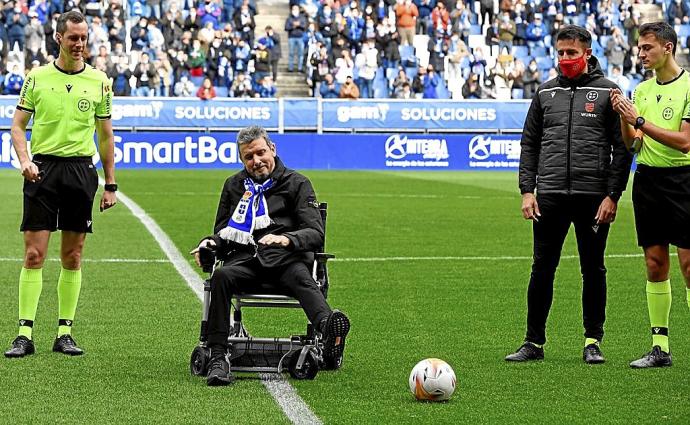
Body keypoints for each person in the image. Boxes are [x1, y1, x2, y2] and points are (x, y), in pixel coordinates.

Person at [506, 25, 632, 364]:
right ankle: (533, 342)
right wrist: (526, 191)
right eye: (560, 53)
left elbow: (622, 149)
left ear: (587, 53)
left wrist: (613, 196)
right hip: (549, 196)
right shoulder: (545, 93)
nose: (565, 59)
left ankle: (592, 341)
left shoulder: (609, 92)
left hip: (593, 196)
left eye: (571, 53)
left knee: (593, 269)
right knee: (542, 268)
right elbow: (529, 145)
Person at [191, 126, 351, 386]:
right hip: (246, 263)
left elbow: (315, 233)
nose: (256, 161)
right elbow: (223, 233)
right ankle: (218, 358)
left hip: (287, 262)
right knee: (220, 276)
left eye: (260, 152)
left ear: (272, 149)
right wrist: (209, 243)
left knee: (302, 276)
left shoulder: (298, 183)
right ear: (242, 159)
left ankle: (329, 331)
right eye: (248, 157)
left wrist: (287, 239)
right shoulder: (233, 186)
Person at [4, 10, 116, 358]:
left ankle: (64, 332)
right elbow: (18, 126)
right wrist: (24, 161)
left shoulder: (100, 81)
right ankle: (24, 333)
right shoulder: (36, 78)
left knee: (73, 255)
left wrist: (110, 184)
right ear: (59, 38)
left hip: (80, 173)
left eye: (84, 38)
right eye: (73, 38)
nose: (80, 44)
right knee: (34, 254)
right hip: (43, 171)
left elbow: (106, 135)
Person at [610, 22, 690, 368]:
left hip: (684, 181)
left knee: (689, 264)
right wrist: (624, 121)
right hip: (648, 181)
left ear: (667, 48)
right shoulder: (640, 90)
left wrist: (638, 120)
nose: (640, 54)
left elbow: (686, 142)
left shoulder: (689, 85)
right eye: (639, 48)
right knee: (655, 263)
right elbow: (634, 144)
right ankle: (660, 347)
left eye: (647, 48)